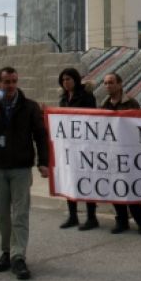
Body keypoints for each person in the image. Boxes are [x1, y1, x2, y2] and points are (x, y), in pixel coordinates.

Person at [0, 66, 49, 281]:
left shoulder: (29, 107)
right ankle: (6, 252)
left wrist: (43, 162)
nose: (10, 86)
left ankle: (18, 257)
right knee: (2, 215)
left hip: (20, 168)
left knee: (20, 214)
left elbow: (40, 136)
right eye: (6, 82)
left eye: (14, 81)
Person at [101, 72, 141, 235]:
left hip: (129, 154)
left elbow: (139, 126)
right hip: (112, 154)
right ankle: (121, 220)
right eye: (106, 83)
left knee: (131, 189)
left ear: (120, 84)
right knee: (116, 188)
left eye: (111, 82)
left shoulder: (131, 103)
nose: (108, 86)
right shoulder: (104, 105)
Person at [56, 68, 99, 231]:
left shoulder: (86, 97)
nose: (65, 82)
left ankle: (91, 217)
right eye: (63, 80)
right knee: (71, 179)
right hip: (69, 145)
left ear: (75, 79)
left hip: (85, 145)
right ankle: (73, 215)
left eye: (68, 79)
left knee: (87, 180)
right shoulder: (63, 98)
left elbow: (90, 118)